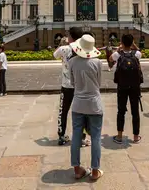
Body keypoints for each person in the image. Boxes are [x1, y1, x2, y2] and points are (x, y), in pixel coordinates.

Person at [68, 34, 104, 181]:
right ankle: (95, 171)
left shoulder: (72, 62)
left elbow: (72, 83)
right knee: (95, 137)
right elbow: (99, 83)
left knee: (76, 136)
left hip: (78, 103)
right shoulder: (97, 62)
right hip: (94, 104)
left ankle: (77, 170)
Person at [54, 27, 85, 146]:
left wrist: (62, 43)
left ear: (70, 37)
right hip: (80, 85)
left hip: (66, 85)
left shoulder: (64, 49)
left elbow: (55, 55)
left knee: (63, 111)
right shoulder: (84, 49)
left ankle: (61, 136)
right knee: (81, 112)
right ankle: (81, 138)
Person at [111, 34, 142, 144]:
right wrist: (134, 45)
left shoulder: (117, 55)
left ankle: (119, 136)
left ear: (122, 42)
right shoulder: (136, 54)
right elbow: (140, 53)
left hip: (122, 86)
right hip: (134, 86)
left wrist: (119, 49)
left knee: (121, 111)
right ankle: (136, 136)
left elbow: (110, 59)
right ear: (132, 42)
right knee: (135, 111)